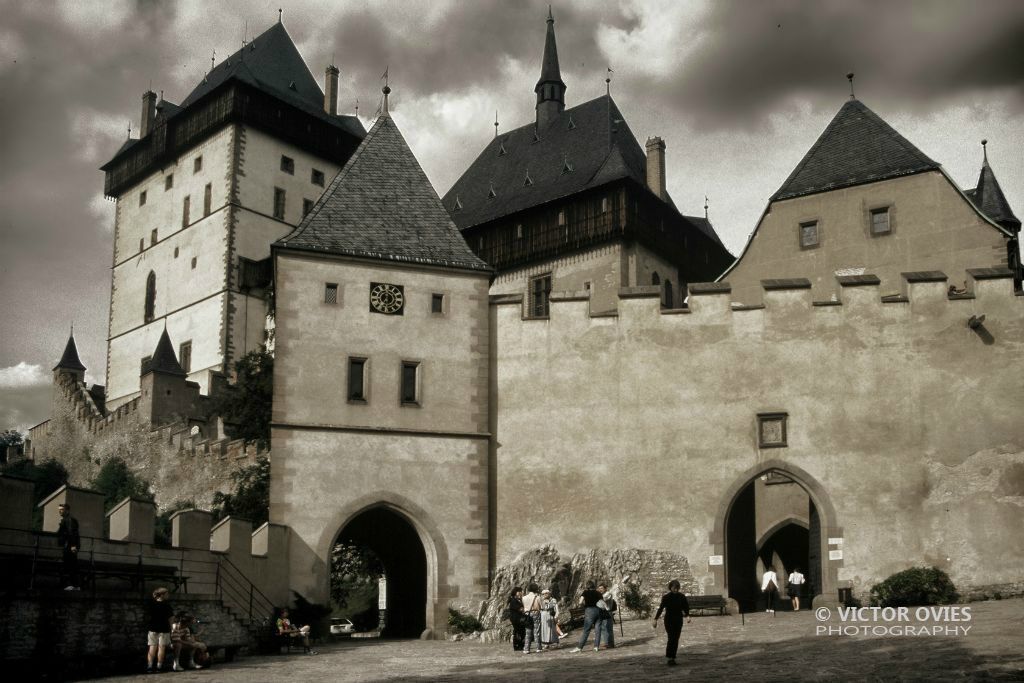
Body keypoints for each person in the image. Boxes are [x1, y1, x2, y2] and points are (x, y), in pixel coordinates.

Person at [653, 579, 691, 666]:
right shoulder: (666, 597)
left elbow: (685, 607)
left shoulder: (682, 597)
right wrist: (655, 619)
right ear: (670, 588)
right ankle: (669, 657)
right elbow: (661, 608)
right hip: (669, 620)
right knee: (671, 638)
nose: (676, 590)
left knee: (676, 638)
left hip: (678, 620)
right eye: (674, 588)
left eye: (677, 588)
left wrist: (688, 616)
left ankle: (673, 657)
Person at [570, 580, 604, 653]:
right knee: (598, 630)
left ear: (587, 586)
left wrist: (584, 605)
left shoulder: (585, 592)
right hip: (598, 611)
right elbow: (601, 602)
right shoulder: (598, 593)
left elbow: (580, 602)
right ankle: (596, 647)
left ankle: (580, 647)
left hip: (589, 611)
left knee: (586, 630)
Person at [145, 587, 174, 673]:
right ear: (162, 595)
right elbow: (171, 619)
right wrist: (171, 629)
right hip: (164, 629)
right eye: (167, 594)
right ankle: (159, 667)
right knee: (161, 648)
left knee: (152, 647)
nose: (168, 596)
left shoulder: (151, 604)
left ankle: (149, 666)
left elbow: (147, 617)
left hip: (153, 628)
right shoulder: (167, 606)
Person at [57, 502, 81, 591]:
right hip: (70, 545)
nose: (60, 512)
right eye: (59, 510)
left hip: (69, 546)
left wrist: (73, 545)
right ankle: (75, 585)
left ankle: (70, 585)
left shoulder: (69, 520)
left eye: (62, 510)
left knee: (68, 565)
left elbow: (71, 533)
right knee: (73, 565)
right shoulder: (68, 520)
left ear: (67, 510)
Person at [521, 582, 543, 654]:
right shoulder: (538, 597)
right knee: (537, 631)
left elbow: (523, 607)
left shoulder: (524, 598)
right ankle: (538, 648)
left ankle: (526, 649)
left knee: (528, 632)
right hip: (536, 613)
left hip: (527, 614)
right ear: (536, 589)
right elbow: (542, 607)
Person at [597, 583, 616, 649]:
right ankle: (606, 643)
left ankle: (610, 643)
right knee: (603, 628)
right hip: (602, 612)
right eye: (599, 588)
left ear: (605, 588)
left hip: (608, 612)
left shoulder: (608, 594)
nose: (600, 590)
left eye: (601, 588)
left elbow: (603, 599)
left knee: (608, 628)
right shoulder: (600, 595)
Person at [507, 587, 526, 652]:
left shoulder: (517, 600)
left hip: (517, 618)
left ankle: (520, 645)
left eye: (521, 591)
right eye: (519, 592)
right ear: (515, 593)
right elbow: (520, 609)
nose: (520, 593)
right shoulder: (514, 600)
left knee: (519, 631)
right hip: (516, 619)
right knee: (518, 631)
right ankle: (518, 646)